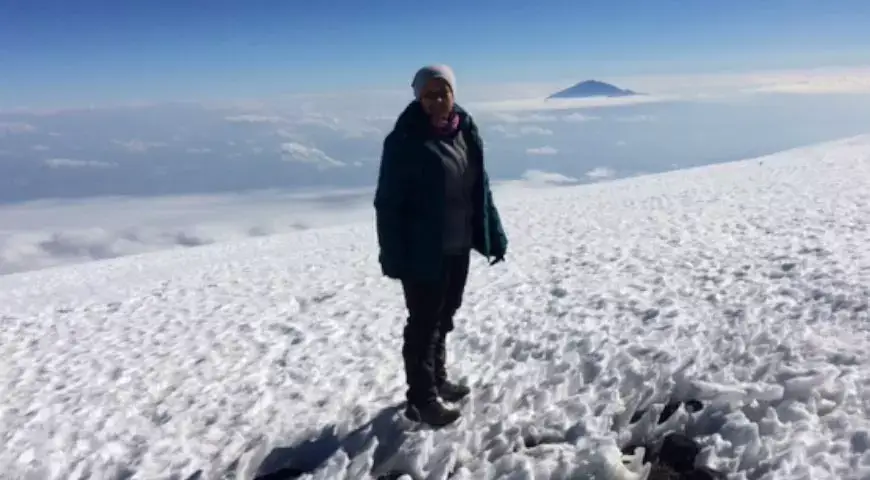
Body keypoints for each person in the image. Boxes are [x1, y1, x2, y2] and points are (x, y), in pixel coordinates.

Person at [373, 64, 508, 427]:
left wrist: (493, 234)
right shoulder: (404, 141)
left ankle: (437, 378)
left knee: (444, 316)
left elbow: (480, 189)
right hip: (422, 251)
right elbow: (387, 203)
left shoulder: (465, 131)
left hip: (457, 245)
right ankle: (421, 399)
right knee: (423, 325)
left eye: (442, 91)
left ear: (454, 93)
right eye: (428, 94)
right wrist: (392, 254)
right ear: (417, 97)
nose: (436, 100)